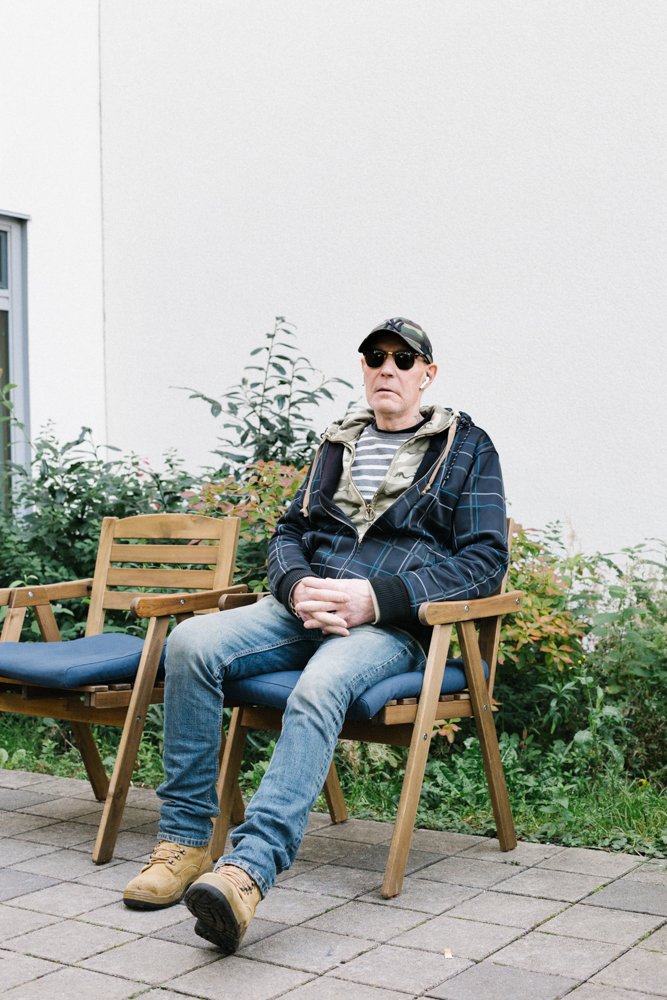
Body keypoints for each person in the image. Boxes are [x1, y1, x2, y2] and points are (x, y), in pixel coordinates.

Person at [123, 317, 508, 954]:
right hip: (304, 608)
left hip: (393, 625)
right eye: (375, 357)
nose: (388, 368)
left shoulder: (467, 448)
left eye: (404, 359)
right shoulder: (337, 443)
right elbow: (287, 533)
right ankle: (186, 842)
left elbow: (484, 561)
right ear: (363, 368)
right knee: (188, 644)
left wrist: (375, 599)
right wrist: (297, 587)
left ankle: (248, 871)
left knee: (319, 683)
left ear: (427, 375)